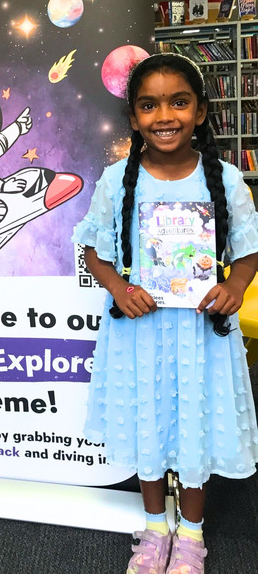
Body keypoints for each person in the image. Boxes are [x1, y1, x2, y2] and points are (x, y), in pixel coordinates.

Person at [71, 53, 258, 574]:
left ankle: (192, 536)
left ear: (200, 111)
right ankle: (155, 530)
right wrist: (118, 288)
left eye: (179, 101)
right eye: (149, 105)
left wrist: (235, 285)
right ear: (133, 117)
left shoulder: (223, 178)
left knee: (196, 422)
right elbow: (94, 248)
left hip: (203, 332)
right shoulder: (116, 180)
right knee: (148, 422)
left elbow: (248, 246)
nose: (165, 115)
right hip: (141, 331)